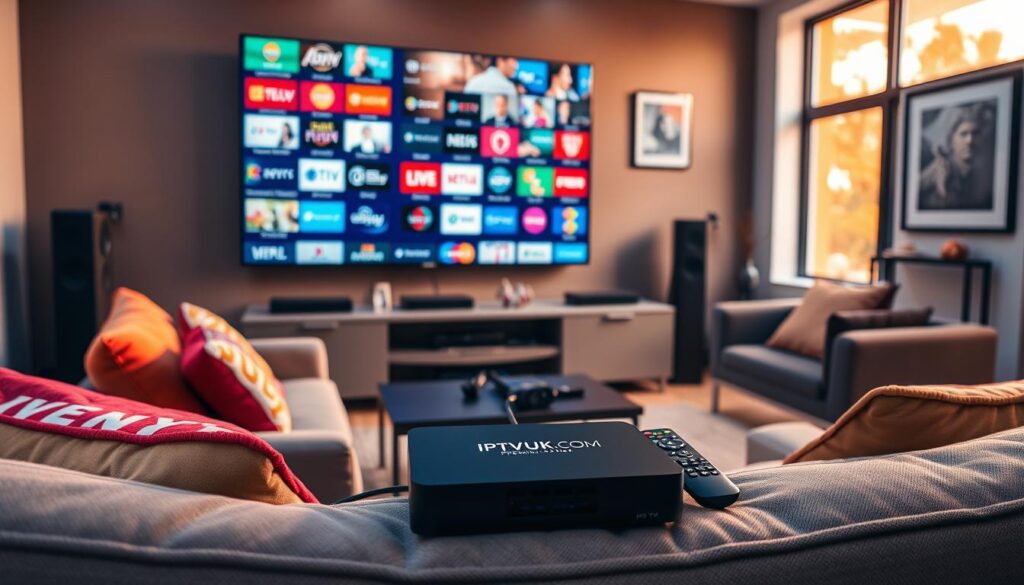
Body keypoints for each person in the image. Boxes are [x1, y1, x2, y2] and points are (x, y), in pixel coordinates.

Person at [919, 104, 993, 210]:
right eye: (963, 134)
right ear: (951, 139)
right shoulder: (939, 168)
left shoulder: (980, 174)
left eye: (975, 133)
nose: (970, 141)